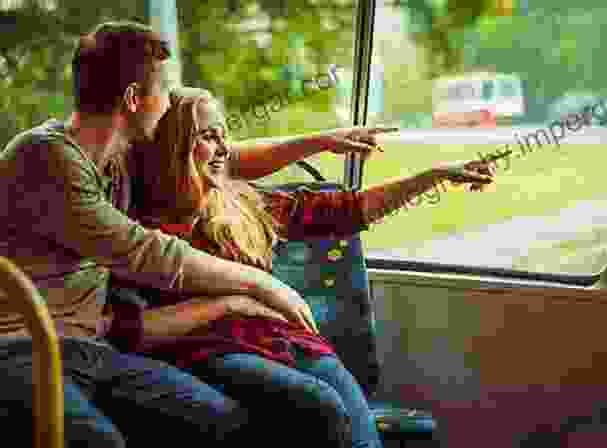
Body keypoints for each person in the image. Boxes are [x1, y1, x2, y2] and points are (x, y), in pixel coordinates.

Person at [0, 20, 375, 447]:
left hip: (93, 351)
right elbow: (148, 254)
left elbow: (215, 159)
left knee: (227, 422)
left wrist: (319, 141)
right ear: (133, 99)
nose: (169, 104)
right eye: (165, 91)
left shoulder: (117, 159)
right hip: (21, 351)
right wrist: (263, 285)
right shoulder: (45, 158)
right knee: (100, 442)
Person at [106, 87, 496, 448]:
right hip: (211, 350)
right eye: (208, 137)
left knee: (350, 411)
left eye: (224, 135)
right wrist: (232, 303)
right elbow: (129, 330)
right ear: (176, 148)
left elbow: (349, 210)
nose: (225, 148)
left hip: (289, 341)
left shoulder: (244, 203)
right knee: (319, 402)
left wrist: (431, 177)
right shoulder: (140, 232)